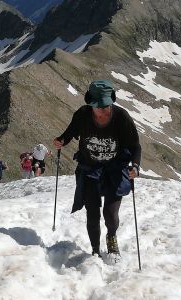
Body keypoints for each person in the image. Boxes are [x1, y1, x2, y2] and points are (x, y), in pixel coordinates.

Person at [53, 80, 141, 258]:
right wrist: (61, 140)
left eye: (106, 105)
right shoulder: (83, 115)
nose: (103, 109)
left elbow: (135, 146)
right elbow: (69, 133)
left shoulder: (121, 117)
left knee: (110, 213)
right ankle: (94, 250)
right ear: (90, 103)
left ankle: (111, 236)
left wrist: (136, 167)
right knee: (92, 213)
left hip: (115, 169)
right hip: (89, 169)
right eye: (99, 106)